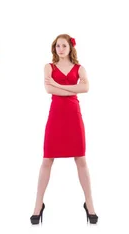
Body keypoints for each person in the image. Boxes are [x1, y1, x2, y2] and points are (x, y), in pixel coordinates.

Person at [30, 34, 98, 225]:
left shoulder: (79, 68)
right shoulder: (48, 67)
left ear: (70, 48)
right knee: (47, 159)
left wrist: (60, 85)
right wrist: (72, 88)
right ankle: (38, 204)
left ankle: (90, 204)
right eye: (58, 46)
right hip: (56, 116)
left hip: (74, 117)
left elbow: (86, 88)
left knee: (81, 159)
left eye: (64, 46)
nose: (60, 49)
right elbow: (49, 90)